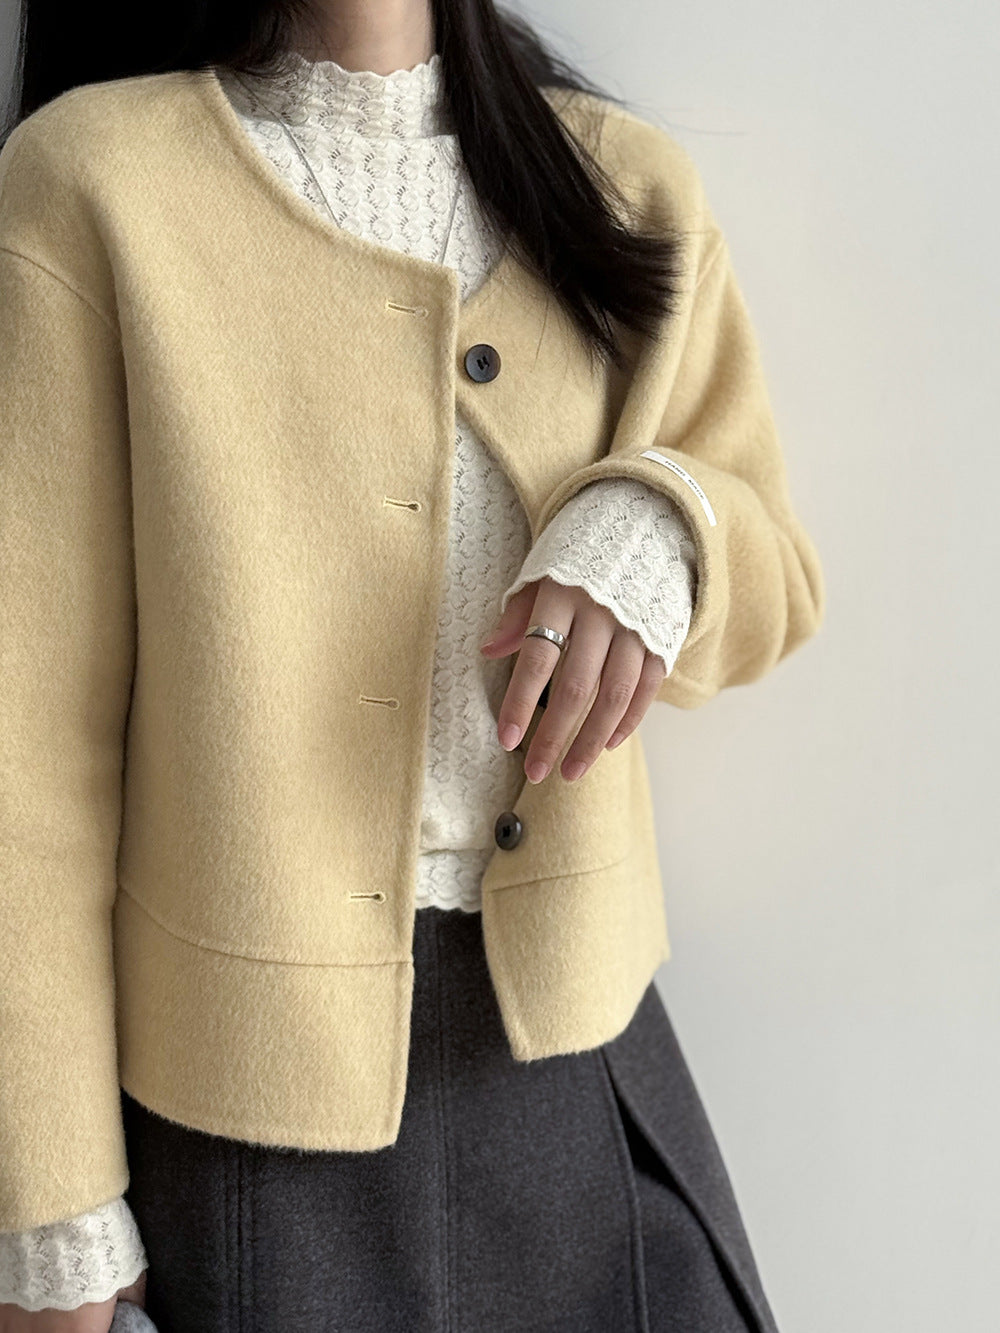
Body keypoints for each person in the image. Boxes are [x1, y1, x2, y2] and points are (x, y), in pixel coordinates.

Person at [0, 0, 825, 1329]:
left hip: (585, 1071)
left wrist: (662, 520)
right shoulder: (92, 184)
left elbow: (775, 572)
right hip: (254, 1125)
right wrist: (50, 1215)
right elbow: (27, 754)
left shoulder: (625, 188)